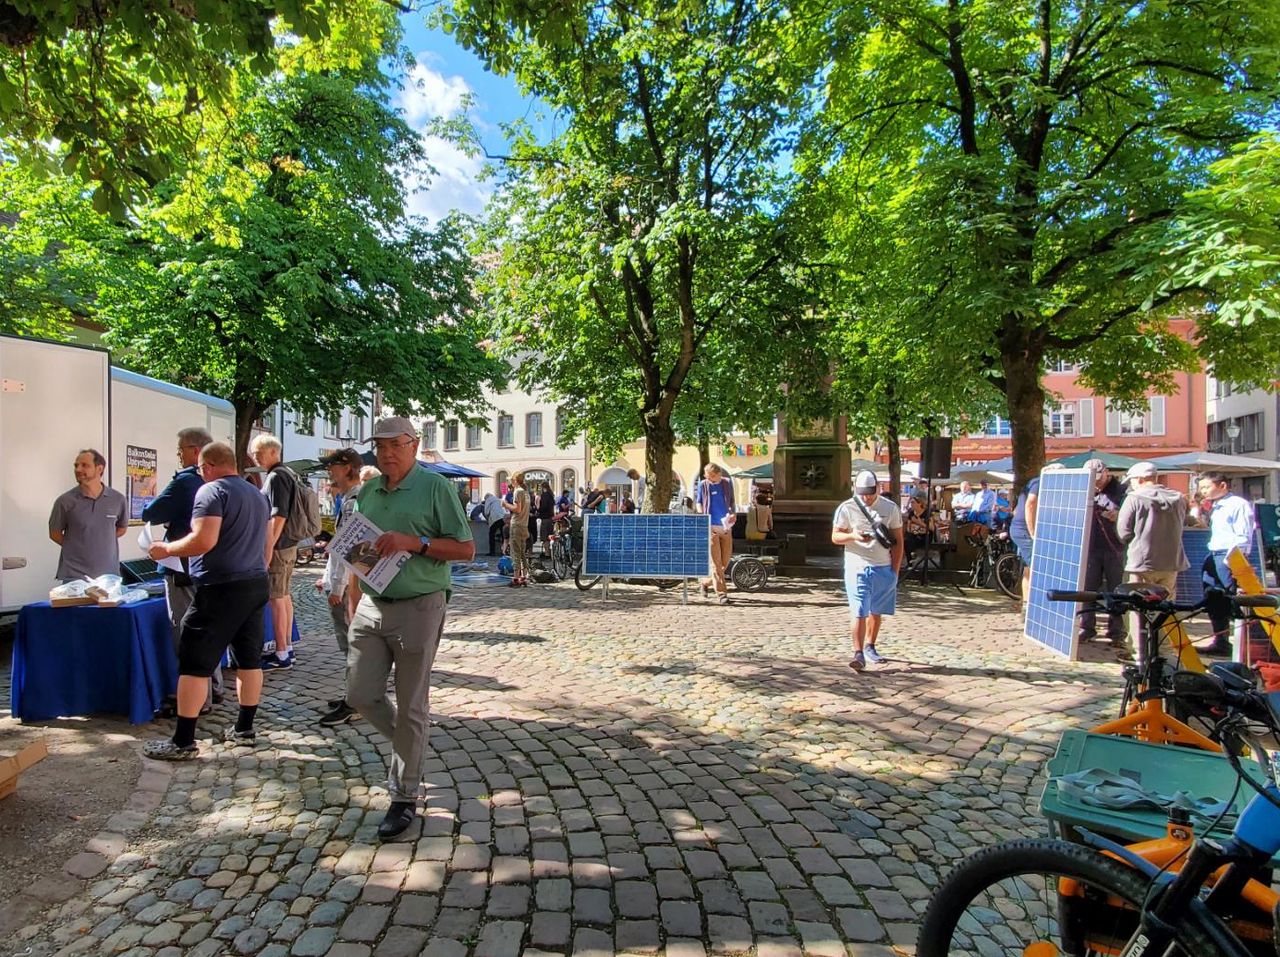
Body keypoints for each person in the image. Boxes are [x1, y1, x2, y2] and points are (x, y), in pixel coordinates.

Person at [345, 417, 474, 838]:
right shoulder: (367, 490)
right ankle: (411, 742)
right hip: (371, 604)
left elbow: (467, 549)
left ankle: (403, 794)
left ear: (414, 445)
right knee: (360, 695)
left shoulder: (436, 488)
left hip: (420, 606)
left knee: (411, 703)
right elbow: (359, 548)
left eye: (394, 445)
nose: (385, 453)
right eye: (379, 446)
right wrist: (352, 592)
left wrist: (413, 542)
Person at [143, 442, 270, 760]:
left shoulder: (211, 492)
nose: (200, 475)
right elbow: (266, 544)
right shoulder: (256, 494)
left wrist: (166, 549)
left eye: (201, 469)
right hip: (254, 583)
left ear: (209, 466)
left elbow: (203, 539)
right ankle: (244, 729)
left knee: (194, 662)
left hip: (220, 587)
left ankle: (182, 741)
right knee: (249, 659)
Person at [142, 427, 221, 713]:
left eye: (181, 449)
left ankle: (196, 700)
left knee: (187, 631)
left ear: (195, 451)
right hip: (211, 567)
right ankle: (213, 687)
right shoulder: (218, 483)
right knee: (209, 630)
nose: (179, 454)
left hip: (183, 566)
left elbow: (151, 512)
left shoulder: (186, 481)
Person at [1116, 461, 1189, 661]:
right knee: (1166, 608)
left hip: (1141, 562)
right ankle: (1163, 651)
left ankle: (1138, 652)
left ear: (1139, 480)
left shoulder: (1134, 498)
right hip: (1171, 563)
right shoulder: (1178, 498)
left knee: (1135, 607)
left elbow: (1123, 532)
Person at [832, 470, 903, 672]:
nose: (866, 497)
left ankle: (870, 645)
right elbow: (835, 537)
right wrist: (853, 536)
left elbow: (898, 542)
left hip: (882, 566)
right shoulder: (846, 508)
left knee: (876, 610)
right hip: (857, 565)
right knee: (859, 609)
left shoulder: (890, 509)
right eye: (863, 492)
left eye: (870, 492)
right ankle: (858, 653)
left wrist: (894, 571)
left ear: (878, 489)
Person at [315, 448, 364, 726]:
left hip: (347, 588)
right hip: (345, 585)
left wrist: (337, 586)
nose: (328, 471)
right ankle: (354, 695)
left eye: (332, 466)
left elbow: (351, 549)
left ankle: (356, 700)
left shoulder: (352, 501)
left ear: (347, 468)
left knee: (352, 646)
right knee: (351, 646)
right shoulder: (350, 499)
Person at [249, 434, 297, 672]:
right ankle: (286, 647)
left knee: (276, 598)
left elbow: (278, 516)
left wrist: (268, 548)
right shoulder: (287, 473)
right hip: (289, 544)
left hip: (279, 546)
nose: (255, 457)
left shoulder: (277, 477)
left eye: (258, 453)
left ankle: (281, 654)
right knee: (284, 596)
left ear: (272, 452)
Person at [1199, 471, 1257, 656]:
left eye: (1206, 487)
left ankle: (1242, 643)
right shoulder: (1216, 506)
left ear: (1222, 485)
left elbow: (1244, 535)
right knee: (1213, 597)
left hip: (1229, 556)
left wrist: (1233, 560)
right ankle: (1220, 640)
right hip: (1214, 553)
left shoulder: (1238, 505)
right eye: (1201, 488)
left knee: (1230, 599)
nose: (1203, 491)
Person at [48, 448, 128, 581]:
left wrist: (98, 541)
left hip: (108, 577)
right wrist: (79, 546)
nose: (78, 469)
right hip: (74, 577)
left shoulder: (118, 499)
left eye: (84, 465)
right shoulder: (65, 501)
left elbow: (122, 529)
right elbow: (54, 534)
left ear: (99, 469)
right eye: (76, 465)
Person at [1080, 459, 1127, 646]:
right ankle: (1087, 627)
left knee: (1116, 591)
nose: (1095, 483)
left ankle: (1116, 631)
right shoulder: (1087, 489)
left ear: (1106, 472)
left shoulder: (1123, 491)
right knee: (1088, 590)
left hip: (1115, 548)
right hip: (1091, 547)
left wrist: (1118, 516)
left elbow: (1131, 518)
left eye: (1098, 479)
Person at [696, 463, 736, 604]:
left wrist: (733, 514)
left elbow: (732, 501)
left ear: (719, 474)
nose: (710, 479)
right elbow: (699, 502)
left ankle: (705, 582)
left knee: (725, 561)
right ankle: (721, 594)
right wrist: (701, 514)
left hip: (725, 526)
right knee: (716, 563)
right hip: (710, 526)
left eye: (712, 476)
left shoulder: (727, 483)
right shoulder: (703, 485)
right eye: (707, 476)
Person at [1009, 474, 1039, 603]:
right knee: (1036, 567)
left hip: (1017, 528)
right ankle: (1035, 606)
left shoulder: (1031, 481)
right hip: (1024, 531)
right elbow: (1030, 503)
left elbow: (1015, 511)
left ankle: (1026, 606)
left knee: (1028, 568)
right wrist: (1032, 532)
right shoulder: (1039, 483)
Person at [504, 471, 531, 586]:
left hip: (517, 524)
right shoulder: (526, 492)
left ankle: (515, 578)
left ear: (515, 481)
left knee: (515, 552)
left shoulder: (518, 491)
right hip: (525, 525)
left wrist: (505, 505)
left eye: (511, 480)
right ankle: (524, 576)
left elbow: (517, 509)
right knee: (522, 552)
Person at [902, 491, 934, 563]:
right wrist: (911, 530)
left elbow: (932, 528)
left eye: (913, 503)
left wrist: (919, 523)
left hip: (925, 536)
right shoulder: (911, 513)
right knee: (907, 540)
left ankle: (913, 557)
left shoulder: (927, 513)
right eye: (911, 503)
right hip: (914, 535)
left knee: (911, 540)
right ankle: (910, 561)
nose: (911, 504)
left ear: (919, 503)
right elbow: (908, 527)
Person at [482, 492, 505, 556]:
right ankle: (504, 551)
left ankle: (492, 552)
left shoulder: (488, 500)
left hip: (494, 519)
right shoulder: (497, 499)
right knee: (503, 535)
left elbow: (486, 512)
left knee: (491, 535)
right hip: (502, 518)